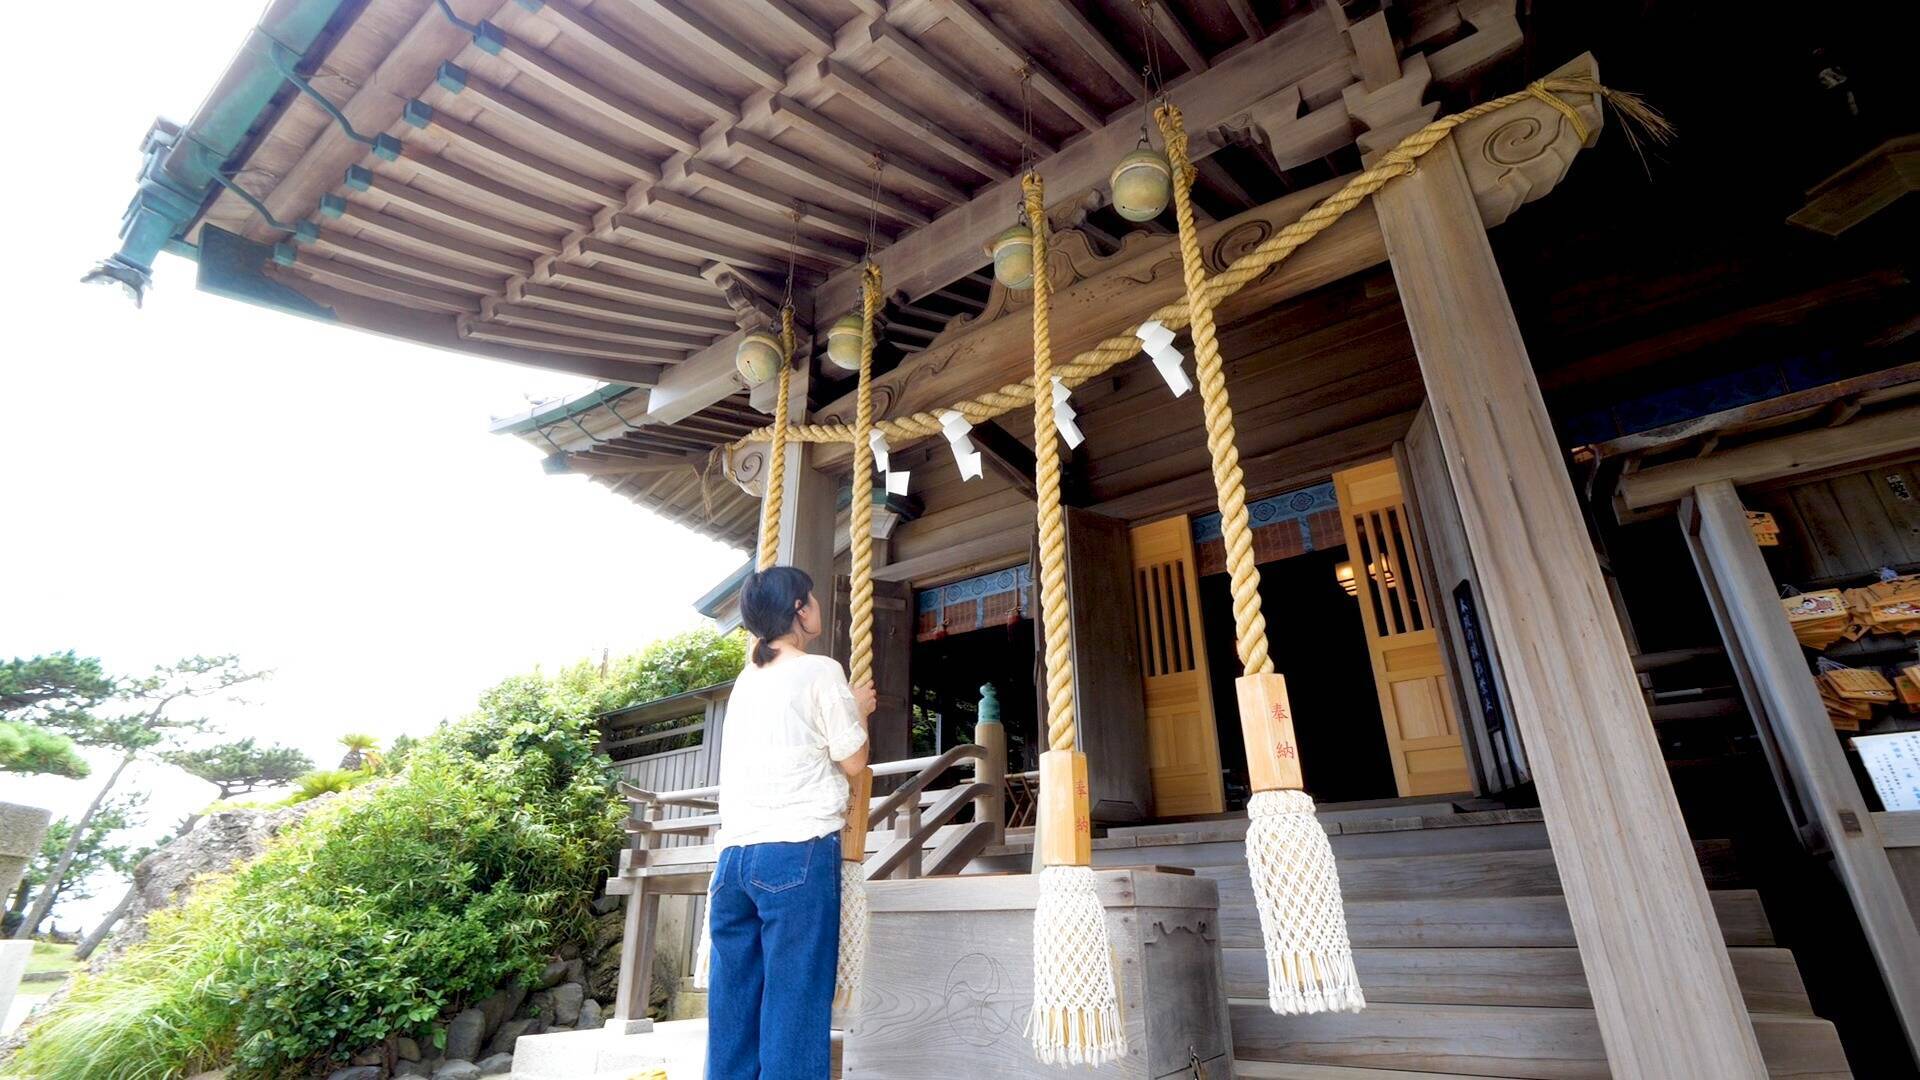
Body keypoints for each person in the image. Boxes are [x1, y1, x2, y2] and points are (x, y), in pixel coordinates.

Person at [706, 565, 875, 1079]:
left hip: (733, 858)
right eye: (815, 598)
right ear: (800, 610)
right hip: (794, 852)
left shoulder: (745, 679)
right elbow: (854, 762)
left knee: (733, 1010)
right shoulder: (820, 670)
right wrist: (859, 710)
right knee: (794, 1004)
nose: (820, 606)